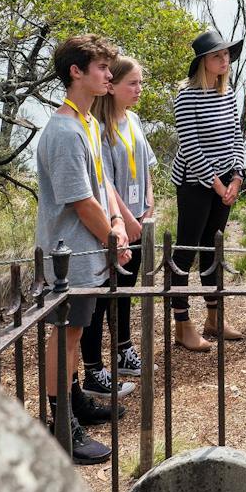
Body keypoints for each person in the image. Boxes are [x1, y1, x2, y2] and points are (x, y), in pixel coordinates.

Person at [33, 33, 132, 465]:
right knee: (66, 335)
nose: (110, 75)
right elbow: (78, 198)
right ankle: (61, 425)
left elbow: (103, 185)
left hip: (89, 249)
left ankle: (75, 401)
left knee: (76, 333)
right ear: (76, 72)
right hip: (67, 255)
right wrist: (112, 240)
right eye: (101, 68)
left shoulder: (89, 123)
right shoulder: (64, 131)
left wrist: (116, 224)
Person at [82, 55, 156, 394]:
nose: (139, 89)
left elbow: (147, 165)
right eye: (133, 83)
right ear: (112, 88)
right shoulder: (99, 128)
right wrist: (126, 219)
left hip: (139, 219)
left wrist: (148, 205)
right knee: (101, 296)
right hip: (117, 224)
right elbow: (105, 183)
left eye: (141, 82)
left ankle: (124, 349)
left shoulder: (135, 120)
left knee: (126, 290)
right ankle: (93, 368)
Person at [170, 28, 246, 353]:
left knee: (213, 248)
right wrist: (217, 184)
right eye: (218, 55)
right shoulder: (186, 95)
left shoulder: (227, 93)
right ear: (204, 61)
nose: (225, 59)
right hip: (195, 184)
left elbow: (236, 136)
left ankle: (214, 317)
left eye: (227, 54)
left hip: (226, 182)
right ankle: (182, 324)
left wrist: (238, 176)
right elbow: (190, 147)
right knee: (186, 252)